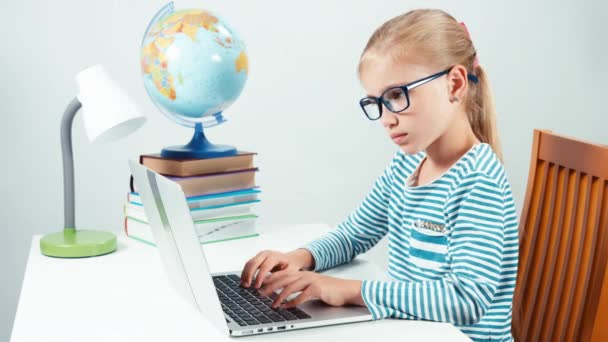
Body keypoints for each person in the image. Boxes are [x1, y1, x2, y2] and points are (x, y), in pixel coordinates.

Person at [240, 8, 519, 341]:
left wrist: (349, 290)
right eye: (376, 102)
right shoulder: (404, 167)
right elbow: (355, 234)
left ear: (455, 84)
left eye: (397, 96)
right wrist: (300, 259)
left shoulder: (478, 181)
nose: (386, 118)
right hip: (410, 331)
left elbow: (466, 300)